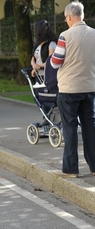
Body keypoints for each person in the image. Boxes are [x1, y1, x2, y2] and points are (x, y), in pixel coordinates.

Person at [51, 1, 95, 178]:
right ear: (82, 15)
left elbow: (55, 62)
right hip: (90, 87)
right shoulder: (94, 34)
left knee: (70, 128)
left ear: (69, 17)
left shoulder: (65, 36)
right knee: (90, 127)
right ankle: (94, 167)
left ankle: (71, 169)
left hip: (69, 89)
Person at [30, 20, 57, 84]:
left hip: (48, 75)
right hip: (38, 75)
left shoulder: (52, 43)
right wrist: (34, 66)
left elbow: (50, 60)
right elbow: (33, 58)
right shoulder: (36, 43)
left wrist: (38, 67)